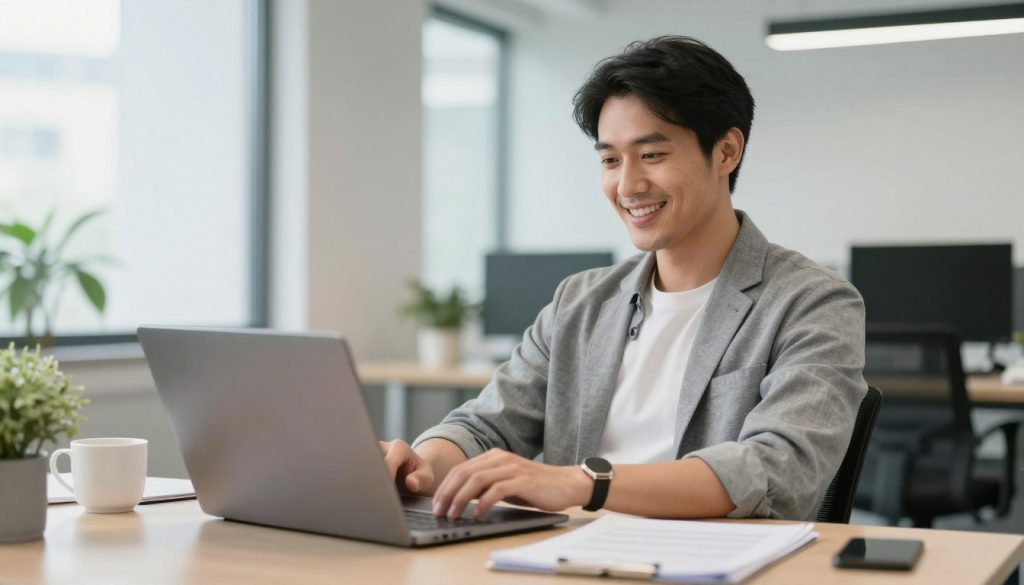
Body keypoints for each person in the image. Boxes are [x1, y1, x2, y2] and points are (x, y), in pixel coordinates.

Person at [380, 35, 866, 521]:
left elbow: (774, 469)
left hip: (710, 564)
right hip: (568, 557)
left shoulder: (813, 302)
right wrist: (419, 466)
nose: (628, 186)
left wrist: (580, 483)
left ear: (726, 152)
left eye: (651, 155)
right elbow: (486, 426)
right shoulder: (581, 300)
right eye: (610, 160)